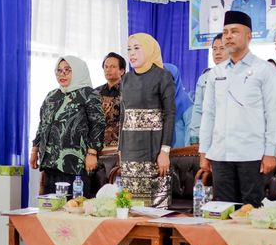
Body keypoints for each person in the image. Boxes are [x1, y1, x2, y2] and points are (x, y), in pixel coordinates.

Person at [199, 11, 276, 207]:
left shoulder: (264, 70)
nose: (228, 36)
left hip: (251, 155)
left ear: (249, 36)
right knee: (224, 212)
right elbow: (209, 113)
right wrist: (204, 150)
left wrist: (270, 151)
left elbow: (274, 113)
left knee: (251, 212)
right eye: (225, 32)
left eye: (234, 31)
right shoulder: (216, 73)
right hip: (220, 155)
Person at [31, 56, 105, 198]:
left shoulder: (88, 94)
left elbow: (98, 124)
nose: (62, 74)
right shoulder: (52, 95)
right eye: (59, 71)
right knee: (51, 208)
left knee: (75, 207)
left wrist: (92, 153)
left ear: (77, 71)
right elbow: (43, 124)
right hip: (51, 163)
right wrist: (34, 150)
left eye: (67, 70)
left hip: (76, 164)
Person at [119, 33, 176, 208]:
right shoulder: (126, 79)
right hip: (130, 151)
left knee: (154, 208)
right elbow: (123, 116)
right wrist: (121, 150)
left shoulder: (162, 76)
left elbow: (170, 113)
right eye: (129, 49)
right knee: (130, 207)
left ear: (150, 50)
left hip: (154, 150)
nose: (132, 54)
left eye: (137, 48)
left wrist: (165, 151)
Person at [92, 52, 126, 194]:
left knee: (115, 189)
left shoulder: (128, 92)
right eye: (106, 66)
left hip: (119, 149)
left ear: (122, 70)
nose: (108, 69)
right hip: (97, 148)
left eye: (112, 66)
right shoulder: (95, 92)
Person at [188, 33, 228, 145]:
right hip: (209, 137)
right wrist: (195, 137)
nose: (217, 52)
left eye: (222, 48)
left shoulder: (239, 76)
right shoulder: (204, 78)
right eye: (214, 49)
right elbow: (198, 109)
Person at [165, 63, 193, 148]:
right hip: (160, 154)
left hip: (180, 153)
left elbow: (190, 129)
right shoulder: (155, 100)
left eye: (170, 79)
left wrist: (187, 153)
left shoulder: (185, 101)